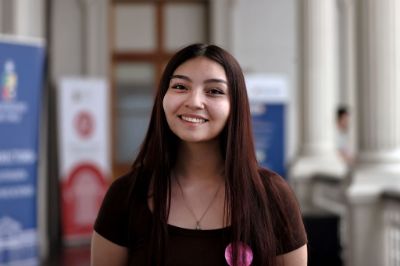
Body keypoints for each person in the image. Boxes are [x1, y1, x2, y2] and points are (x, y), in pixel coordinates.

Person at [91, 43, 307, 266]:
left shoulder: (272, 196)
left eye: (214, 91)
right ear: (163, 98)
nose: (193, 102)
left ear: (236, 106)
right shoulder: (126, 195)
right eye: (180, 87)